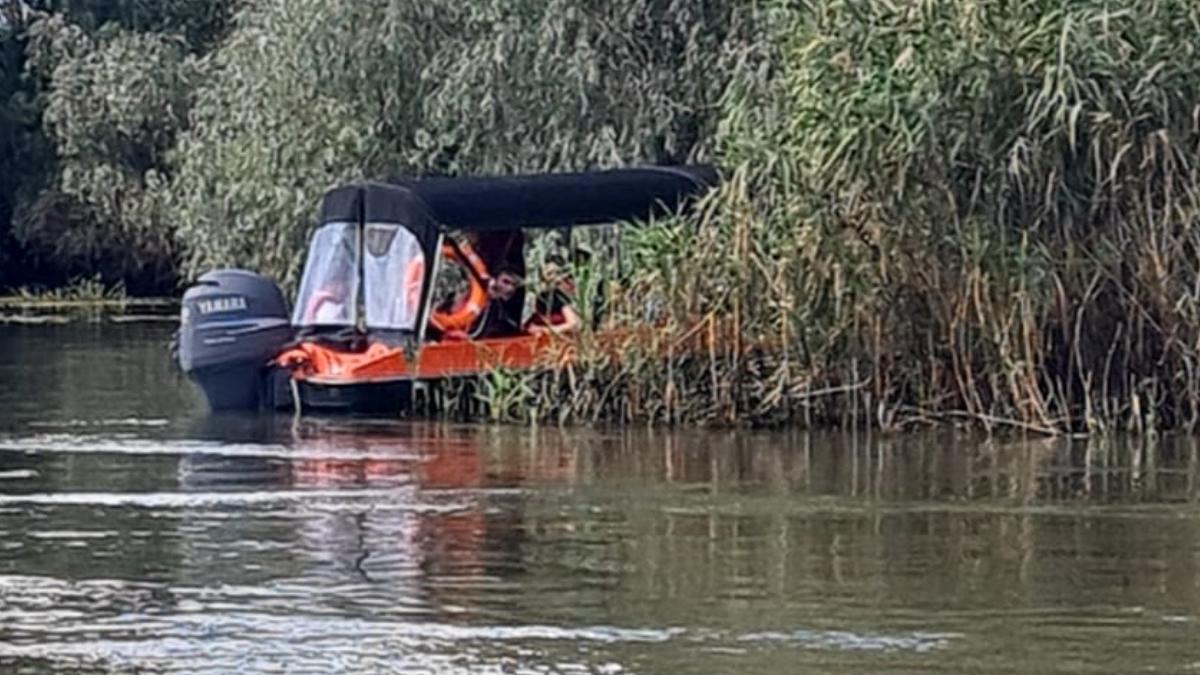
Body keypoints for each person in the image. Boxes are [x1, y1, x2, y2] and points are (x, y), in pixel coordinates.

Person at [525, 257, 581, 335]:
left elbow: (574, 324)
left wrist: (547, 330)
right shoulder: (544, 296)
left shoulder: (563, 294)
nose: (555, 278)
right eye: (550, 274)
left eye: (557, 273)